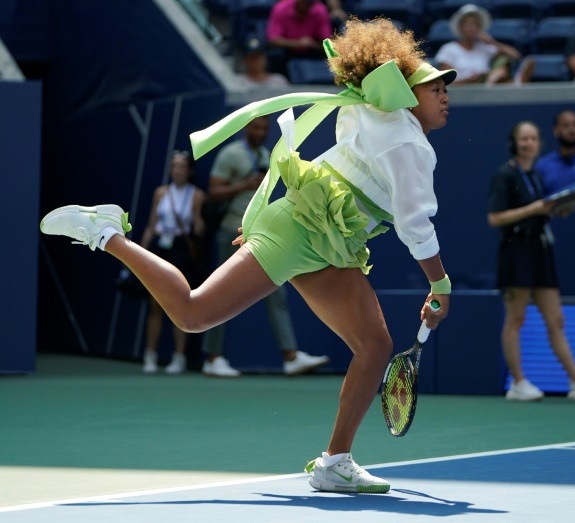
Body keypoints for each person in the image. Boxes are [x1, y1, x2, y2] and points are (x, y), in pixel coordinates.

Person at [40, 17, 453, 494]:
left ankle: (335, 462)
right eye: (433, 86)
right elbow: (414, 225)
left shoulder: (374, 114)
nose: (444, 95)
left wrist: (261, 215)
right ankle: (109, 233)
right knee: (193, 315)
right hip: (303, 232)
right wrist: (440, 284)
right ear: (404, 90)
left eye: (446, 88)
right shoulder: (406, 141)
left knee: (376, 347)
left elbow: (328, 167)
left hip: (330, 241)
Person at [487, 121, 575, 402]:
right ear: (514, 143)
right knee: (515, 319)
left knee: (556, 319)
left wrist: (555, 211)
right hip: (515, 251)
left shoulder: (537, 176)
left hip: (540, 250)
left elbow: (538, 212)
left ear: (540, 144)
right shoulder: (505, 174)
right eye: (524, 138)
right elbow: (494, 218)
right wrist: (535, 208)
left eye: (533, 138)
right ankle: (517, 383)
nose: (529, 143)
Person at [202, 115, 330, 378]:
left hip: (258, 235)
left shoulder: (265, 154)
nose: (260, 132)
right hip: (231, 232)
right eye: (256, 127)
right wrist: (243, 185)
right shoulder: (231, 154)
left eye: (264, 129)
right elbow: (212, 191)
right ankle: (212, 358)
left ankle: (290, 357)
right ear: (247, 127)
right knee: (219, 293)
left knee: (276, 292)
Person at [139, 151, 207, 374]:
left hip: (181, 251)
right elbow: (151, 224)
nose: (177, 170)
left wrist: (200, 225)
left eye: (181, 167)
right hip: (160, 247)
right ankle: (150, 355)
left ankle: (179, 358)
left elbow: (199, 225)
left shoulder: (197, 195)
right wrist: (139, 253)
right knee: (155, 304)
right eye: (174, 166)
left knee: (180, 303)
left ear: (189, 171)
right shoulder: (160, 193)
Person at [435, 3, 534, 86]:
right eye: (468, 24)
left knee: (502, 63)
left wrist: (491, 41)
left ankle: (511, 82)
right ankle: (515, 83)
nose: (471, 28)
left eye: (475, 24)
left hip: (486, 88)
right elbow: (447, 82)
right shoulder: (448, 49)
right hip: (461, 91)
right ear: (461, 27)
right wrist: (468, 80)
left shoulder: (486, 48)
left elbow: (516, 56)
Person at [266, 0, 333, 78]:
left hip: (310, 48)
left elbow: (326, 40)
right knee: (276, 54)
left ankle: (323, 81)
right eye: (305, 2)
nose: (307, 5)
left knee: (328, 53)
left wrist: (315, 44)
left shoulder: (320, 10)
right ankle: (281, 82)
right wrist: (297, 43)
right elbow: (273, 40)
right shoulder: (281, 8)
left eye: (310, 3)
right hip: (287, 48)